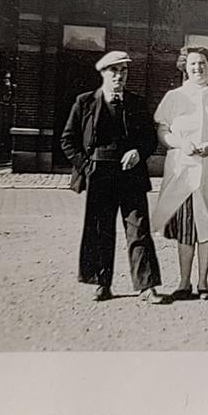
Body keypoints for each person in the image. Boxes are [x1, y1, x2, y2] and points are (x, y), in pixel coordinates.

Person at [59, 51, 167, 304]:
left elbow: (150, 139)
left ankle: (146, 287)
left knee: (138, 229)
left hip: (131, 176)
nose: (119, 76)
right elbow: (68, 141)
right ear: (103, 73)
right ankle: (101, 283)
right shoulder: (85, 102)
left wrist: (138, 153)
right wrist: (87, 167)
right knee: (100, 230)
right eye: (114, 71)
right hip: (99, 175)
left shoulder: (136, 103)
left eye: (124, 71)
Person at [151, 46, 208, 300]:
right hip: (181, 168)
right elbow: (162, 131)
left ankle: (203, 283)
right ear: (184, 68)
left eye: (202, 63)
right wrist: (179, 143)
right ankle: (184, 281)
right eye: (192, 64)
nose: (197, 68)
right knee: (186, 227)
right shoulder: (174, 97)